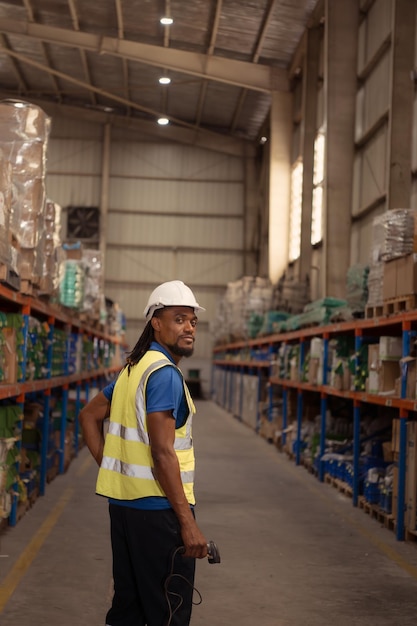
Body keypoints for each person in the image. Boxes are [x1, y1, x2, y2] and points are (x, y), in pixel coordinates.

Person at [79, 280, 208, 626]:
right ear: (156, 322)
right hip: (159, 514)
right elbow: (163, 453)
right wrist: (188, 524)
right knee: (168, 611)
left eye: (192, 321)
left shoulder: (133, 369)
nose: (189, 328)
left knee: (128, 610)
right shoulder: (163, 374)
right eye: (179, 319)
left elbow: (88, 416)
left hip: (124, 510)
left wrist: (111, 465)